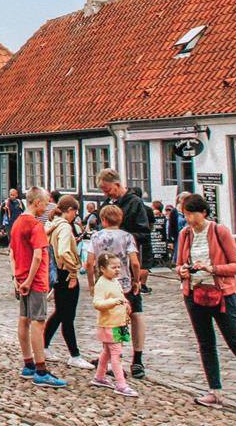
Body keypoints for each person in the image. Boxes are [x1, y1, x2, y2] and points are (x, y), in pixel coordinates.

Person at [175, 193, 236, 412]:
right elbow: (178, 264)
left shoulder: (219, 231)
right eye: (185, 214)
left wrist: (212, 268)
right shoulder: (185, 234)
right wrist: (183, 270)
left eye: (192, 214)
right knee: (206, 344)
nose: (189, 219)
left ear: (203, 212)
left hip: (223, 295)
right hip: (195, 294)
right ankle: (215, 392)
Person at [10, 187, 66, 388]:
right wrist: (29, 280)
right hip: (35, 281)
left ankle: (28, 364)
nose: (47, 206)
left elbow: (12, 253)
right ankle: (41, 370)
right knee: (38, 322)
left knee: (24, 320)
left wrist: (17, 278)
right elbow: (37, 256)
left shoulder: (17, 223)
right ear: (37, 202)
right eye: (45, 203)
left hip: (22, 278)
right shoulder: (35, 225)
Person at [98, 168, 150, 379]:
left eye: (107, 189)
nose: (105, 194)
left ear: (117, 184)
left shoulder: (134, 203)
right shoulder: (107, 204)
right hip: (109, 272)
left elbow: (144, 234)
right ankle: (112, 356)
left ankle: (137, 359)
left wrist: (120, 237)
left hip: (127, 269)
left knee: (135, 312)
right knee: (111, 315)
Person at [86, 205, 141, 381]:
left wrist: (91, 284)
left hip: (104, 285)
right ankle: (116, 356)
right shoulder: (127, 237)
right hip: (123, 285)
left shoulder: (96, 236)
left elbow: (89, 263)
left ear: (103, 220)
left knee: (107, 322)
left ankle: (110, 357)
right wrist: (137, 280)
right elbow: (135, 263)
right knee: (121, 322)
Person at [43, 196, 94, 370]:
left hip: (57, 273)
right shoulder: (64, 227)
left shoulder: (52, 224)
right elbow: (64, 251)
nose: (75, 215)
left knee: (59, 313)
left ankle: (44, 346)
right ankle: (75, 355)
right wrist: (73, 271)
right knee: (68, 316)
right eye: (75, 212)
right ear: (70, 210)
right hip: (65, 273)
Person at [91, 252, 138, 397]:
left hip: (119, 322)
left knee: (107, 351)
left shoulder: (114, 281)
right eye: (113, 267)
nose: (117, 270)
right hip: (110, 324)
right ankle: (121, 384)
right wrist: (114, 302)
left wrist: (125, 303)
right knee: (116, 354)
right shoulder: (101, 284)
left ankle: (99, 376)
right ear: (102, 269)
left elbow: (120, 296)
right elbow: (97, 303)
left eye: (118, 267)